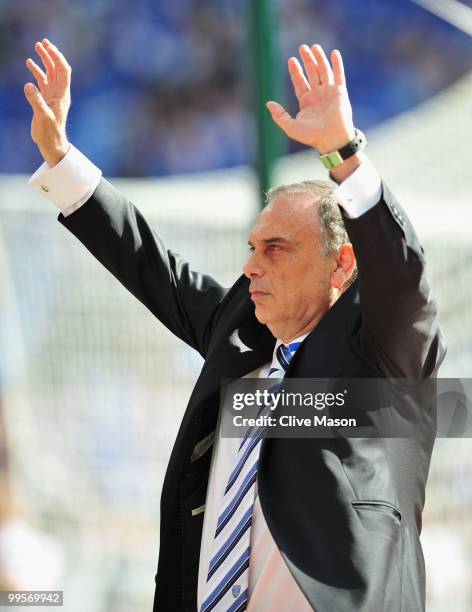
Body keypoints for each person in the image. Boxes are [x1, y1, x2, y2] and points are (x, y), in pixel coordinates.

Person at [24, 38, 445, 612]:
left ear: (341, 265)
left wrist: (341, 152)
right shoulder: (241, 332)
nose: (251, 265)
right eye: (252, 246)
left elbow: (400, 275)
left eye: (276, 248)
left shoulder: (382, 355)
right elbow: (154, 267)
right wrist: (60, 158)